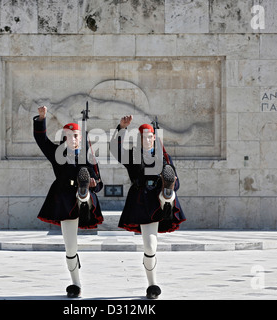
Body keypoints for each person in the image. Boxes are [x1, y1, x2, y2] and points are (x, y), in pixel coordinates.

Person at [111, 115, 186, 299]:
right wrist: (121, 128)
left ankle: (166, 198)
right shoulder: (132, 156)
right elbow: (115, 149)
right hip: (143, 201)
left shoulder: (163, 157)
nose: (147, 139)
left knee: (169, 187)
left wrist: (172, 185)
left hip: (158, 197)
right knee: (150, 246)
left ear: (154, 138)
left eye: (150, 136)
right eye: (143, 137)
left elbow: (177, 182)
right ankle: (152, 284)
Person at [33, 106, 103, 298]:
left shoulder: (88, 156)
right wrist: (41, 119)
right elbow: (41, 140)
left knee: (86, 189)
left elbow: (99, 184)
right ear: (64, 137)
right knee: (70, 247)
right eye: (70, 135)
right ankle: (76, 283)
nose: (74, 138)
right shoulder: (57, 153)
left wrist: (93, 184)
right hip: (64, 200)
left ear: (80, 138)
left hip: (85, 199)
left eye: (77, 136)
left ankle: (83, 195)